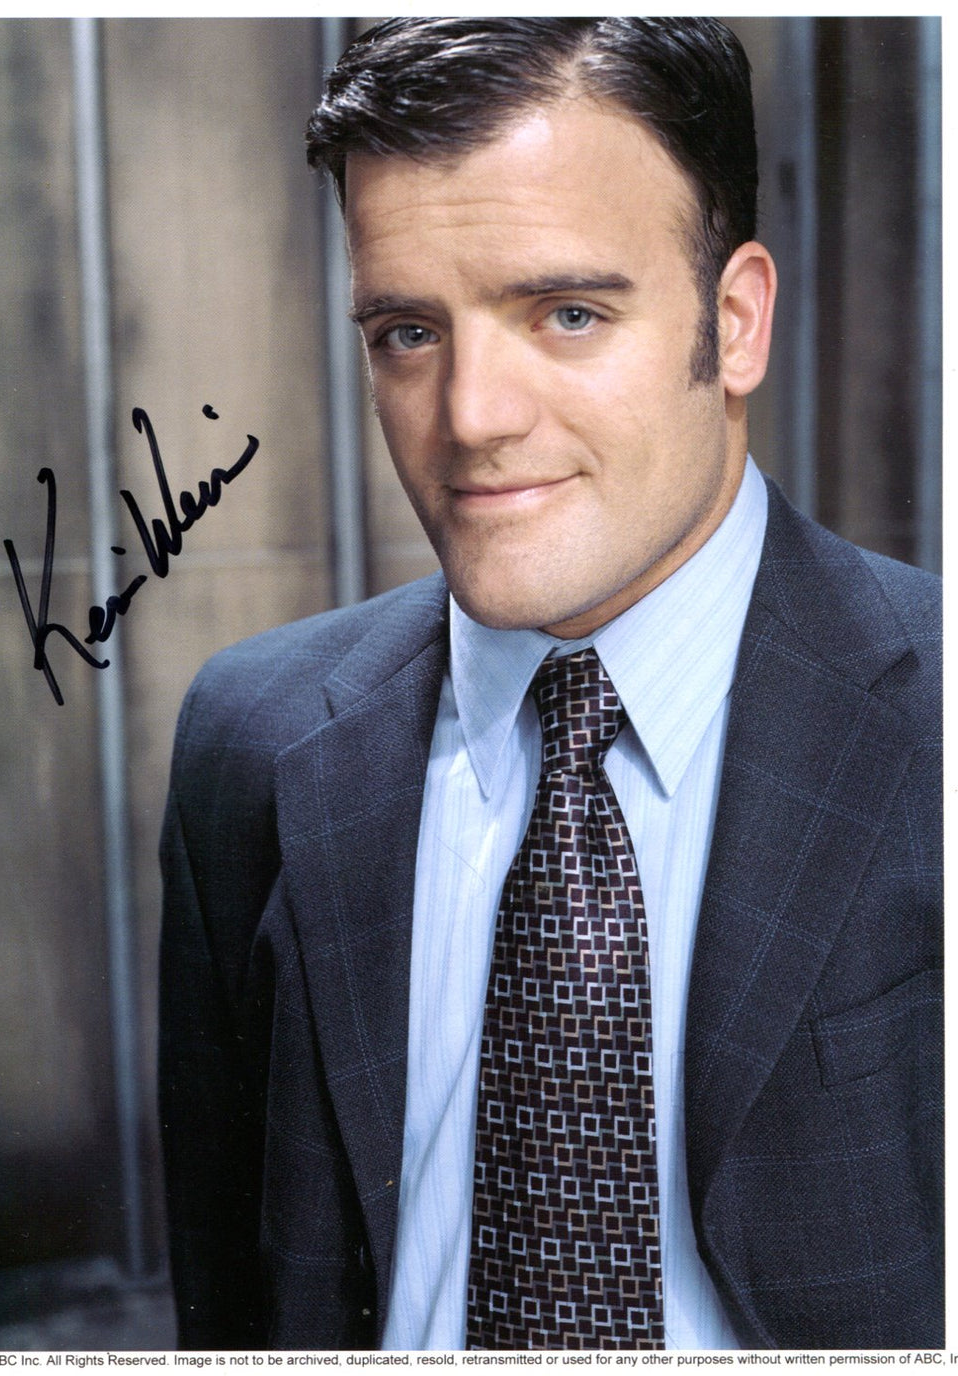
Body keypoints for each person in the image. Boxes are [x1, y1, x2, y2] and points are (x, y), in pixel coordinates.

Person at [158, 18, 942, 1353]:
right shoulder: (252, 741)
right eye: (408, 331)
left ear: (735, 322)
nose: (472, 416)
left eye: (568, 314)